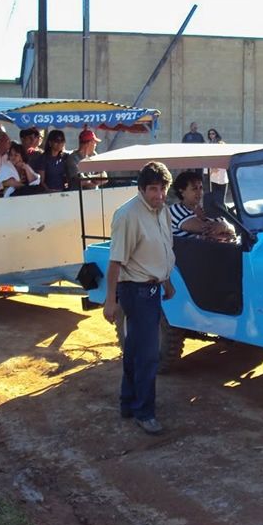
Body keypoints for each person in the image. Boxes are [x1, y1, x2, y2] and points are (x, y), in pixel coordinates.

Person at [102, 162, 176, 436]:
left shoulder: (162, 211)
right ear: (141, 189)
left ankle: (128, 403)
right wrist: (111, 301)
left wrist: (166, 280)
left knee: (134, 350)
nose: (158, 194)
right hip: (137, 291)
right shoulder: (128, 215)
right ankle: (145, 413)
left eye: (162, 189)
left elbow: (162, 248)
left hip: (153, 288)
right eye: (153, 189)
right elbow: (115, 263)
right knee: (147, 356)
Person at [169, 171, 236, 241]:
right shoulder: (175, 210)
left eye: (200, 188)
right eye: (194, 189)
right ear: (182, 191)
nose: (199, 192)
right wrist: (222, 229)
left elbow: (231, 228)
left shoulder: (207, 208)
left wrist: (224, 226)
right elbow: (206, 230)